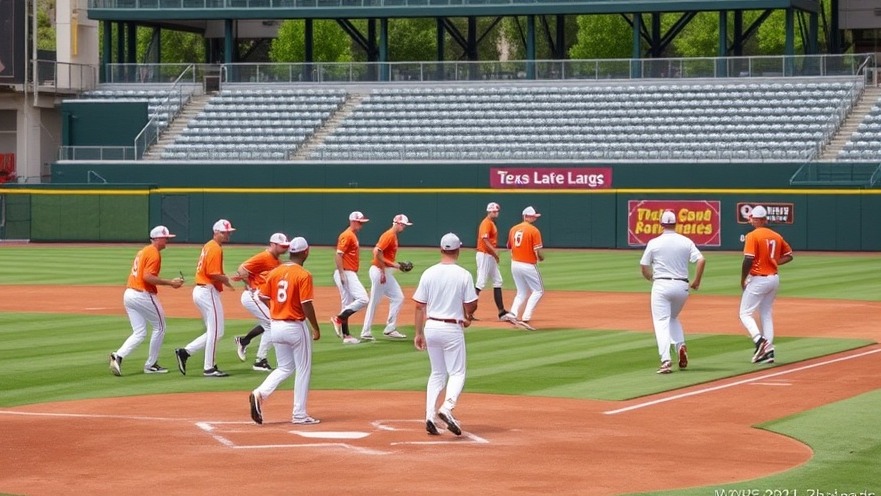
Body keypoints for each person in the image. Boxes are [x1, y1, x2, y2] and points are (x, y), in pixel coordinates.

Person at [248, 237, 321, 425]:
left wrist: (278, 307)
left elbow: (262, 296)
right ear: (306, 252)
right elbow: (306, 305)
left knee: (285, 367)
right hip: (295, 327)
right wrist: (315, 327)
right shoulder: (303, 274)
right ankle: (299, 414)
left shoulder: (275, 272)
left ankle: (260, 393)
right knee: (303, 369)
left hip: (276, 326)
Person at [413, 233, 478, 437]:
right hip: (451, 329)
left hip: (431, 326)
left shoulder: (428, 273)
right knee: (457, 372)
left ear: (441, 249)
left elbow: (418, 306)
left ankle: (430, 415)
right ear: (457, 250)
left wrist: (418, 333)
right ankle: (447, 407)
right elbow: (471, 304)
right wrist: (468, 315)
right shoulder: (464, 274)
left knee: (437, 373)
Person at [109, 226, 184, 376]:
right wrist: (171, 283)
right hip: (142, 295)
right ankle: (151, 365)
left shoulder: (143, 251)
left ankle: (118, 356)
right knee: (160, 327)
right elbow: (147, 277)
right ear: (156, 238)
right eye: (165, 237)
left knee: (139, 332)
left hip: (129, 294)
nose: (167, 240)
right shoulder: (154, 253)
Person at [639, 210, 706, 374]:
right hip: (682, 286)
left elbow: (644, 265)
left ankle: (666, 360)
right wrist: (697, 281)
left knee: (661, 321)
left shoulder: (654, 242)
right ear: (675, 223)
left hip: (661, 284)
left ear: (661, 224)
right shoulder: (685, 241)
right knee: (672, 318)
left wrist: (649, 277)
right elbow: (701, 259)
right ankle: (680, 344)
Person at [175, 219, 236, 378]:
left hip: (203, 291)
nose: (227, 235)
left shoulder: (209, 245)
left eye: (228, 232)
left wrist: (225, 280)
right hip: (207, 292)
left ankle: (185, 352)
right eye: (224, 232)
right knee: (216, 332)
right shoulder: (215, 248)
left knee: (216, 331)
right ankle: (209, 367)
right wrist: (227, 280)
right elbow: (212, 273)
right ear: (215, 232)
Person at [739, 205, 793, 365]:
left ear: (759, 220)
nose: (753, 220)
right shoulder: (776, 235)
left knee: (744, 313)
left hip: (759, 279)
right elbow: (789, 255)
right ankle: (768, 353)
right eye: (752, 218)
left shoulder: (752, 235)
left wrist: (742, 278)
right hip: (773, 278)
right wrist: (773, 262)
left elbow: (748, 259)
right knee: (766, 313)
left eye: (754, 218)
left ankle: (759, 342)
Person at [232, 233, 291, 371]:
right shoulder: (264, 257)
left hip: (262, 296)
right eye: (282, 246)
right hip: (254, 296)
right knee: (272, 324)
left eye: (286, 246)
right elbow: (242, 269)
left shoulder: (277, 262)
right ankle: (260, 360)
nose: (285, 249)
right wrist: (250, 285)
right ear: (273, 245)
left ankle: (244, 341)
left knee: (270, 322)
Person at [360, 214, 413, 341]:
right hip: (379, 271)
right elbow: (376, 252)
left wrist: (393, 267)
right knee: (374, 301)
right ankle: (365, 331)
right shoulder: (388, 235)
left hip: (384, 271)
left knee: (398, 297)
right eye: (404, 225)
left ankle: (390, 328)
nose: (404, 227)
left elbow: (384, 255)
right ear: (398, 223)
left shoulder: (393, 236)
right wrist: (385, 270)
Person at [331, 211, 370, 344]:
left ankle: (346, 335)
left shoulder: (351, 235)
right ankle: (339, 318)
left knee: (347, 304)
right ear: (352, 221)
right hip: (346, 272)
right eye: (360, 222)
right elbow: (338, 255)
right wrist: (342, 273)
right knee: (364, 299)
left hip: (348, 272)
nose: (361, 225)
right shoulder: (347, 235)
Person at [475, 202, 515, 323]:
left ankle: (501, 312)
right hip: (484, 255)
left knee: (498, 280)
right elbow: (484, 239)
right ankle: (467, 310)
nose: (496, 213)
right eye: (494, 211)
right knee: (481, 282)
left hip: (489, 255)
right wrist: (494, 252)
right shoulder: (486, 223)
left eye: (497, 211)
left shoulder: (491, 223)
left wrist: (494, 254)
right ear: (489, 211)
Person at [507, 206, 545, 331]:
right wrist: (541, 257)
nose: (535, 218)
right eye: (533, 216)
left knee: (521, 292)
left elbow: (509, 246)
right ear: (527, 216)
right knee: (538, 291)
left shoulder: (513, 229)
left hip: (515, 263)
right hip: (528, 264)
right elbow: (537, 250)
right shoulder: (534, 231)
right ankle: (526, 317)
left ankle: (512, 314)